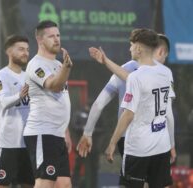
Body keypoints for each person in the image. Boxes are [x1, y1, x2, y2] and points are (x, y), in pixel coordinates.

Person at [77, 33, 176, 164]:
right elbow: (168, 114)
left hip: (130, 139)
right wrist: (172, 144)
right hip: (157, 139)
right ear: (161, 52)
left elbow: (98, 104)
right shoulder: (165, 75)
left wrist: (88, 133)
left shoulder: (126, 69)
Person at [100, 28, 174, 187]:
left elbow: (128, 115)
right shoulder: (166, 73)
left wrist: (112, 143)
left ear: (139, 49)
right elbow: (168, 113)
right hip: (161, 146)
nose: (130, 48)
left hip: (138, 149)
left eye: (132, 45)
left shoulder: (136, 77)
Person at [23, 20, 73, 188]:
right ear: (40, 40)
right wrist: (66, 69)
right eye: (51, 36)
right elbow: (54, 86)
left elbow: (62, 100)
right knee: (45, 182)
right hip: (42, 132)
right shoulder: (36, 64)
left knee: (64, 183)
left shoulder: (58, 64)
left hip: (56, 133)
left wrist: (65, 131)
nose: (56, 39)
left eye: (58, 35)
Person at [0, 35, 34, 188]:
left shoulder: (29, 77)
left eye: (27, 50)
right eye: (21, 49)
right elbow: (2, 102)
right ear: (9, 51)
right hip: (8, 142)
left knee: (29, 184)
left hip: (28, 142)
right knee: (1, 184)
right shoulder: (2, 75)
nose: (25, 53)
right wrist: (19, 95)